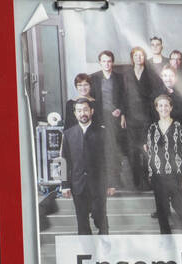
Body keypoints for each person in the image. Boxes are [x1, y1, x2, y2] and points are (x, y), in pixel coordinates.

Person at [143, 94, 182, 233]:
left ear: (171, 108)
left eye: (166, 105)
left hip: (176, 171)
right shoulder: (152, 128)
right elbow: (151, 153)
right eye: (160, 106)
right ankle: (165, 234)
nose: (163, 108)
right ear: (157, 108)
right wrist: (151, 173)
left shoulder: (178, 127)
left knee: (177, 200)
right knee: (161, 206)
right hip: (158, 173)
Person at [60, 98, 109, 235]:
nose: (83, 113)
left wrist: (111, 183)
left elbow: (109, 160)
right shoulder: (68, 134)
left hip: (98, 184)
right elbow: (64, 162)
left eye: (86, 110)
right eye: (79, 110)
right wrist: (64, 185)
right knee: (82, 223)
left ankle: (105, 249)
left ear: (92, 111)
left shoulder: (102, 132)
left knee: (101, 219)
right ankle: (87, 252)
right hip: (78, 185)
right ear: (75, 113)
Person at [88, 50, 127, 191]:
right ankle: (103, 180)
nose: (106, 63)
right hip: (98, 117)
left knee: (113, 149)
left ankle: (115, 180)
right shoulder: (93, 78)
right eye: (104, 61)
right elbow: (90, 99)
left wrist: (121, 111)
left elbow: (124, 97)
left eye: (109, 61)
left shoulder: (119, 77)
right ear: (100, 63)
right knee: (101, 149)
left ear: (113, 62)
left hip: (114, 118)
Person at [124, 48, 155, 191]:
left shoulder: (151, 73)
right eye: (135, 55)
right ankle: (136, 182)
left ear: (144, 57)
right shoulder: (126, 74)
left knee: (147, 150)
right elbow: (123, 95)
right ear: (132, 58)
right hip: (131, 117)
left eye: (141, 55)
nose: (138, 57)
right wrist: (123, 114)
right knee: (132, 151)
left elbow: (155, 94)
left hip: (147, 117)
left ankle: (148, 181)